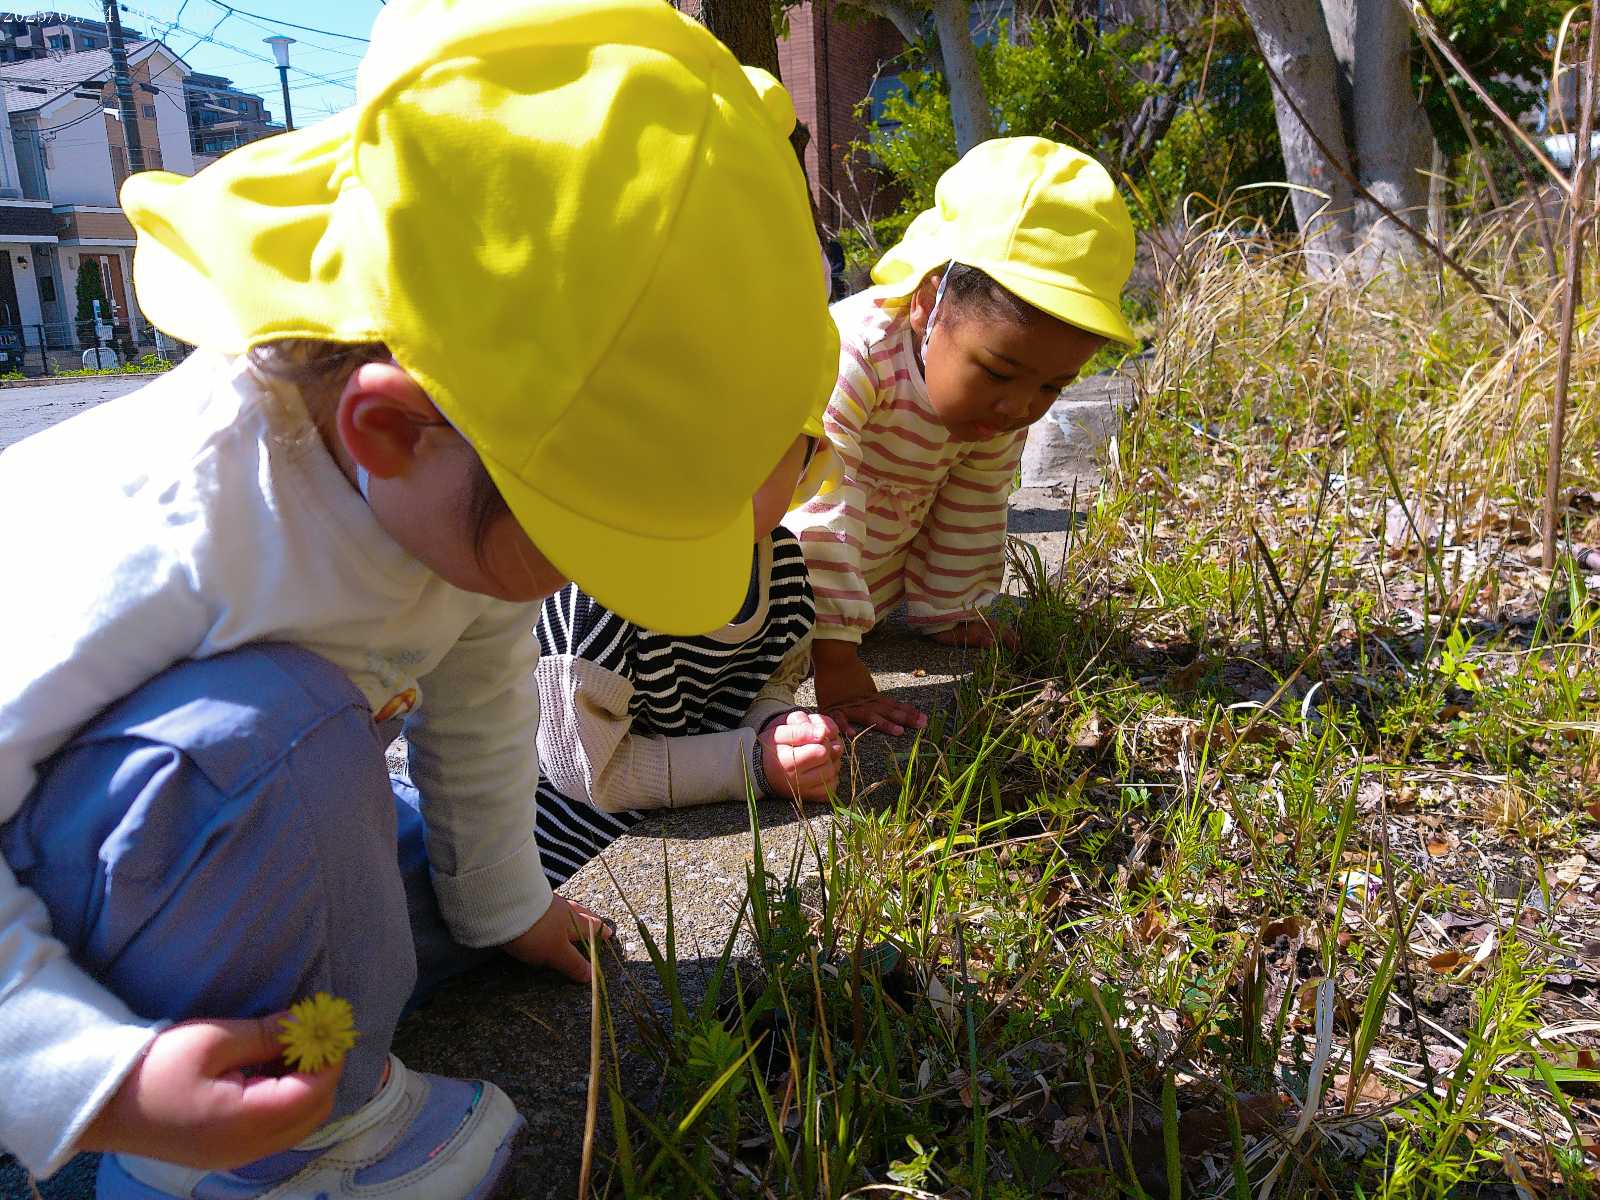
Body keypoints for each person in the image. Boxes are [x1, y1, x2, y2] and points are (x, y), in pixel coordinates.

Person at [0, 1, 837, 1197]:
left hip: (175, 855)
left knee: (398, 867)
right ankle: (231, 1155)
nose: (581, 584)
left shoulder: (458, 478)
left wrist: (504, 907)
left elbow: (484, 700)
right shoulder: (177, 527)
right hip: (51, 881)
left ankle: (265, 1041)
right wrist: (85, 1073)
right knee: (278, 733)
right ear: (387, 429)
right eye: (573, 543)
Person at [789, 137, 1138, 735]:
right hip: (776, 589)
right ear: (927, 304)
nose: (1019, 406)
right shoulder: (852, 355)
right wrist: (835, 660)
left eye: (1052, 386)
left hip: (863, 594)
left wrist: (952, 609)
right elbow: (819, 508)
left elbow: (974, 501)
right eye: (998, 372)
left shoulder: (993, 408)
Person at [533, 416, 843, 887]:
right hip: (558, 849)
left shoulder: (782, 567)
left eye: (756, 449)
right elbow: (586, 772)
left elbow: (768, 681)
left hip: (674, 825)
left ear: (808, 457)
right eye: (685, 435)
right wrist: (752, 767)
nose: (714, 473)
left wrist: (779, 727)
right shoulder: (597, 587)